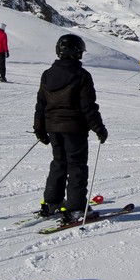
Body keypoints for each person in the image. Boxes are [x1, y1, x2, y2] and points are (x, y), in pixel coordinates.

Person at [33, 34, 108, 225]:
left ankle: (52, 202)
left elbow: (41, 104)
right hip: (74, 128)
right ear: (77, 53)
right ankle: (76, 209)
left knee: (59, 162)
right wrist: (99, 128)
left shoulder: (48, 74)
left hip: (52, 127)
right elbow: (88, 106)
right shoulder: (82, 75)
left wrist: (39, 128)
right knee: (76, 166)